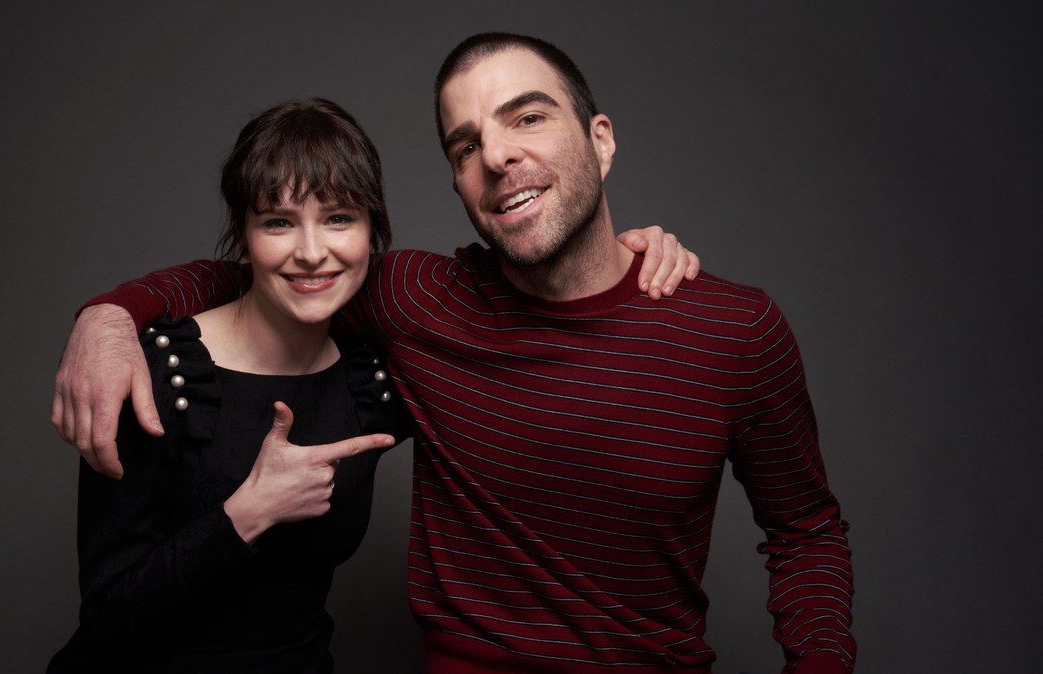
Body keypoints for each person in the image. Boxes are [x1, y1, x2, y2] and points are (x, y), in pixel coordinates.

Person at [56, 33, 854, 673]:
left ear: (600, 140)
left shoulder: (732, 329)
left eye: (528, 117)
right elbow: (270, 275)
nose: (497, 155)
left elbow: (807, 529)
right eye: (465, 144)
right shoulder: (417, 302)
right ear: (457, 184)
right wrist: (111, 316)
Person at [48, 99, 414, 673]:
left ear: (373, 232)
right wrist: (249, 511)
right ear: (243, 237)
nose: (312, 252)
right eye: (278, 222)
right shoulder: (161, 375)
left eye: (340, 218)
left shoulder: (374, 384)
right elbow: (108, 622)